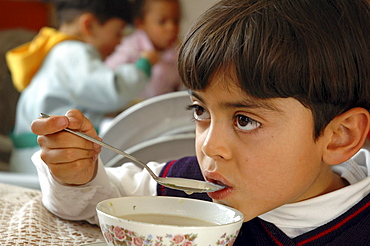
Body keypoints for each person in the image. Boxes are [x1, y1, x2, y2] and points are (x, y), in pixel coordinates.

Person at [31, 0, 370, 245]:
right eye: (200, 111)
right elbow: (95, 204)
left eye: (245, 120)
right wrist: (77, 177)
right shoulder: (188, 186)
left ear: (340, 137)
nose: (209, 146)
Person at [6, 0, 158, 173]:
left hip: (35, 157)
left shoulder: (56, 51)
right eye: (118, 33)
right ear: (89, 25)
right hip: (44, 159)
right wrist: (142, 68)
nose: (119, 43)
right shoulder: (73, 52)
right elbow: (112, 90)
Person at [105, 0, 183, 101]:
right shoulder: (130, 47)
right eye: (162, 21)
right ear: (140, 23)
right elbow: (109, 77)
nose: (171, 27)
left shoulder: (179, 51)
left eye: (176, 20)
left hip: (165, 110)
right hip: (132, 108)